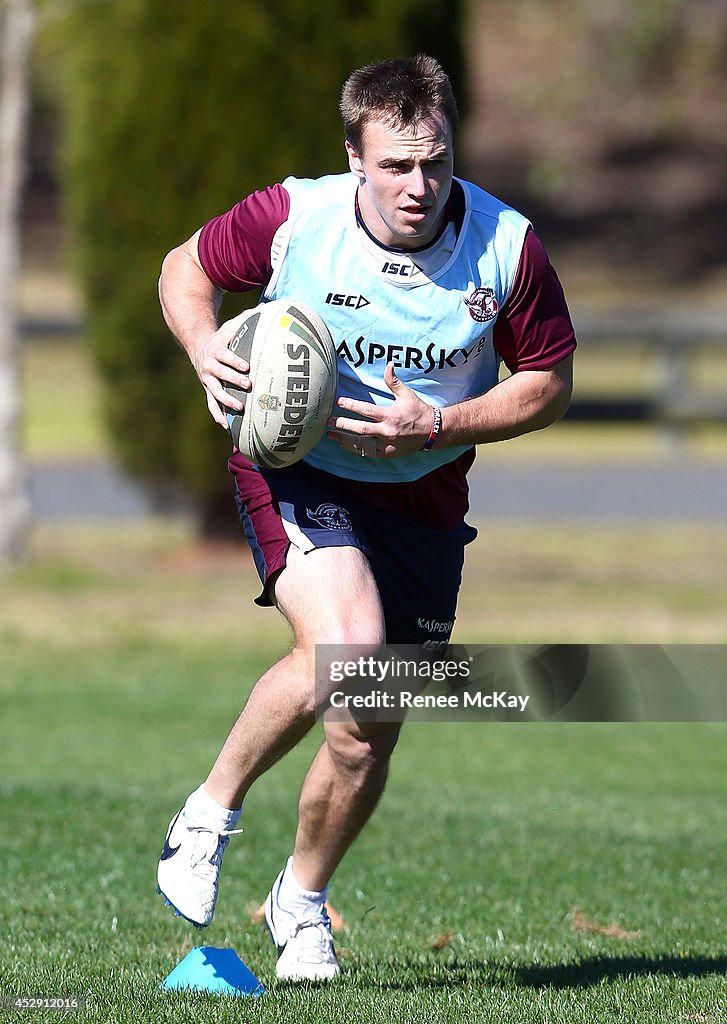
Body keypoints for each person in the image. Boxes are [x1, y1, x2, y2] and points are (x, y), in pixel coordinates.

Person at [156, 54, 576, 982]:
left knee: (365, 723)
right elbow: (183, 269)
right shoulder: (293, 219)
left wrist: (441, 421)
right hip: (299, 467)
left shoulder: (506, 248)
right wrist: (201, 346)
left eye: (433, 162)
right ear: (354, 158)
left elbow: (548, 383)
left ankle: (301, 902)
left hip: (423, 498)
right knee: (346, 645)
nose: (418, 186)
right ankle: (208, 814)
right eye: (394, 166)